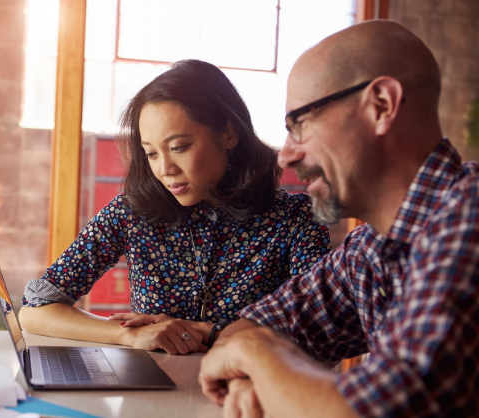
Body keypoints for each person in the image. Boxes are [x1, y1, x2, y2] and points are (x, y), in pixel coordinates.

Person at [199, 20, 479, 417]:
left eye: (300, 125)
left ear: (381, 105)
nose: (285, 156)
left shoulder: (469, 213)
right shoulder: (369, 249)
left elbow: (380, 410)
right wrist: (252, 370)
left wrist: (256, 357)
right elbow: (250, 327)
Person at [19, 59, 331, 355]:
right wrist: (126, 334)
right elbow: (35, 311)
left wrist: (207, 331)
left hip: (248, 397)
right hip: (150, 398)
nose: (165, 168)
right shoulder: (133, 211)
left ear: (228, 133)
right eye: (151, 153)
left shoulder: (296, 218)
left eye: (178, 147)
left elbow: (321, 337)